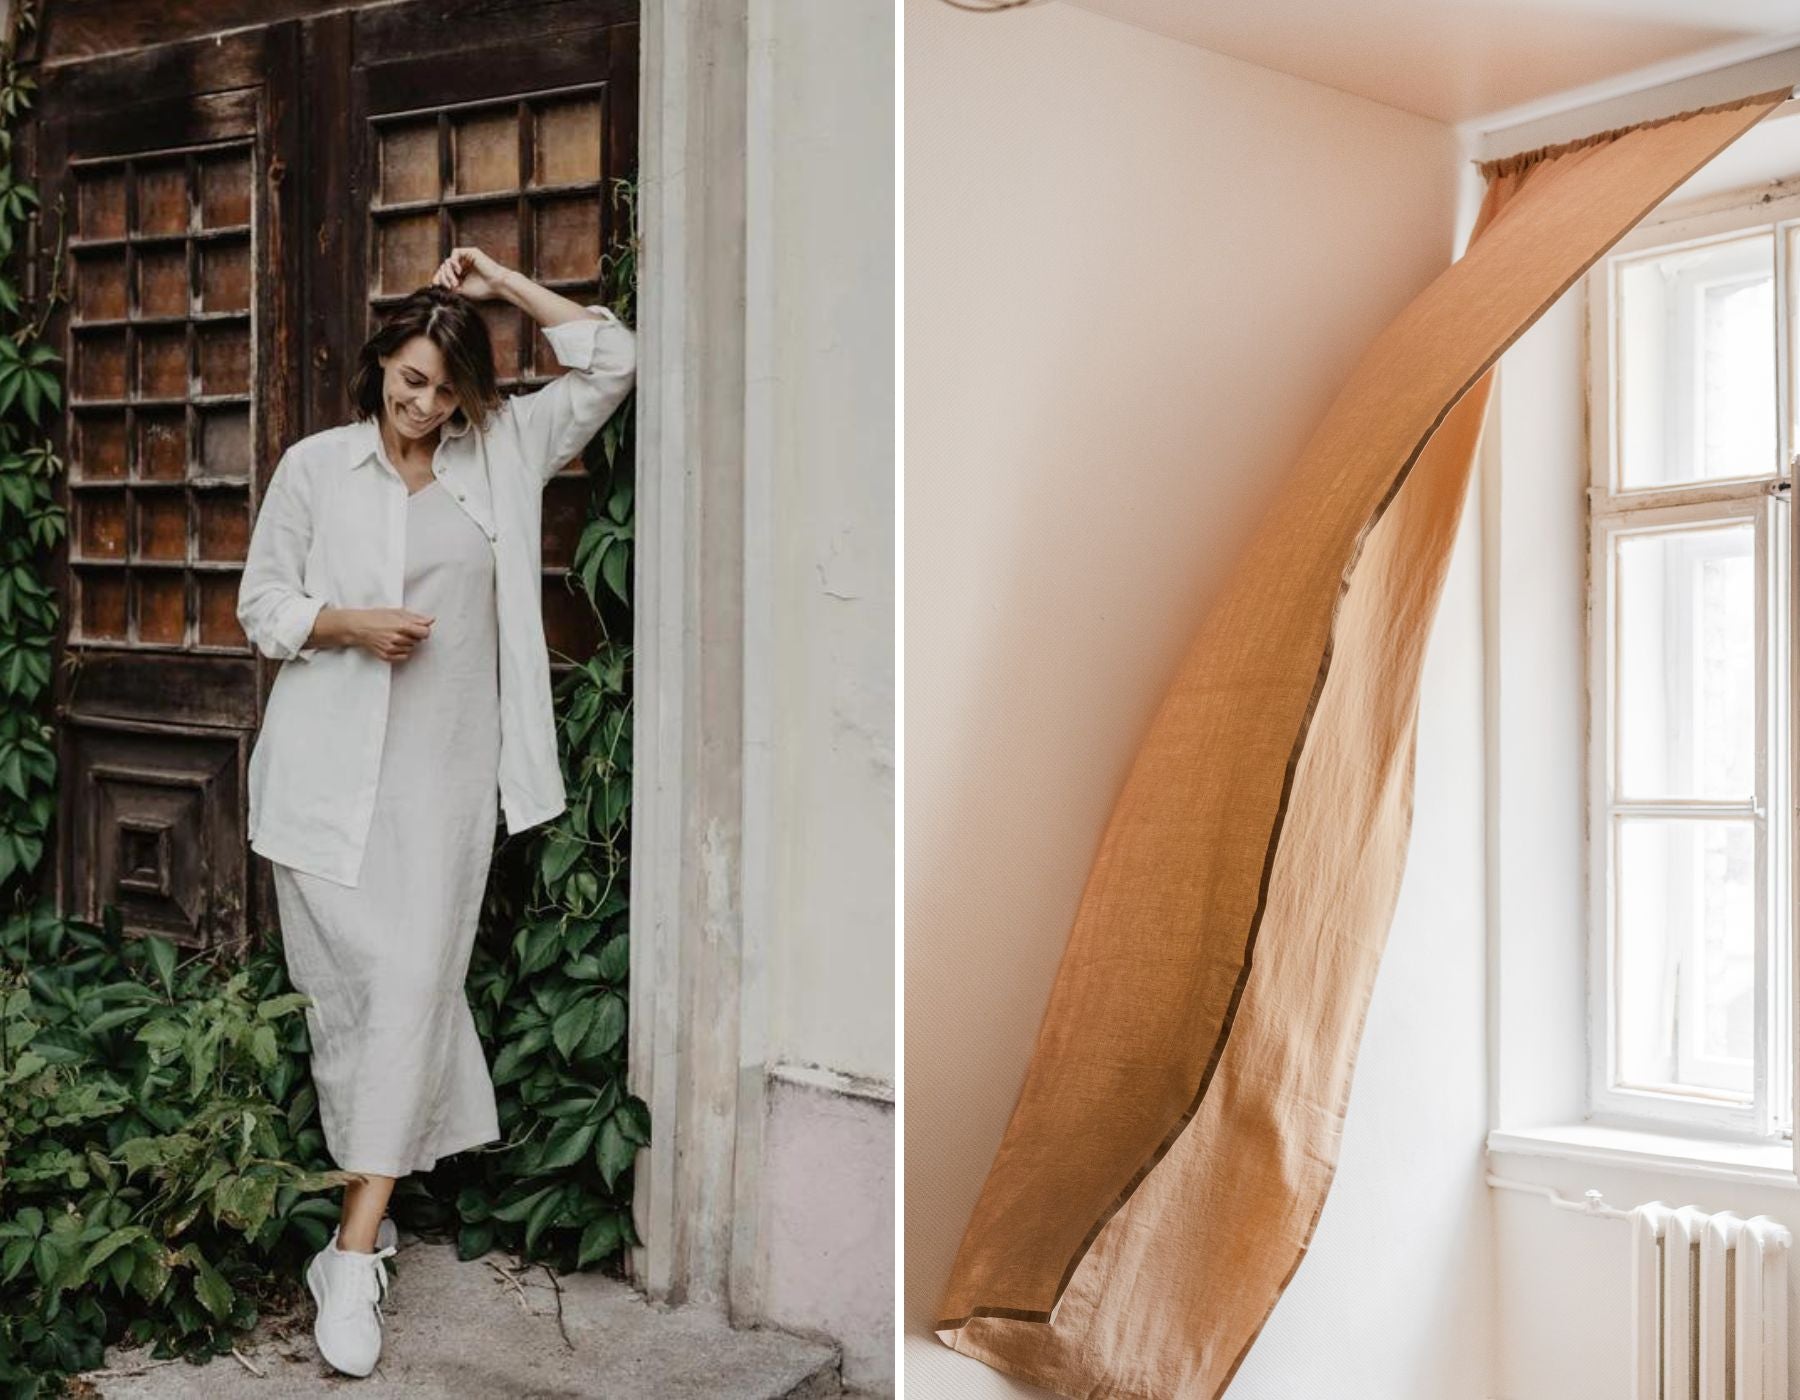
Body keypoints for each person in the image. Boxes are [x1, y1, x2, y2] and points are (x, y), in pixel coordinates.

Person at [235, 244, 636, 1377]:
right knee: (362, 1003)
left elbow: (614, 359)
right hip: (323, 780)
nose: (420, 405)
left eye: (442, 387)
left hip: (445, 782)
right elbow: (259, 602)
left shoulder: (502, 451)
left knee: (413, 986)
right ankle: (360, 1226)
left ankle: (352, 1254)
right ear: (378, 370)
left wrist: (502, 284)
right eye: (406, 381)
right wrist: (349, 623)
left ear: (469, 391)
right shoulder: (317, 467)